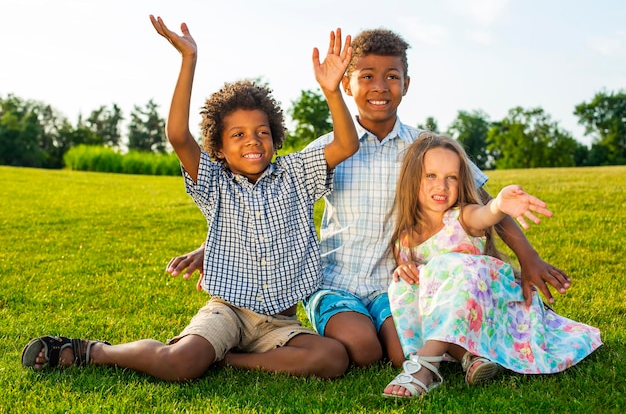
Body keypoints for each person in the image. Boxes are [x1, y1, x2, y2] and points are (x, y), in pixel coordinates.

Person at [167, 28, 573, 369]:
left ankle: (470, 344)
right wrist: (212, 245)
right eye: (366, 76)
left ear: (406, 85)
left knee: (400, 354)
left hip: (394, 282)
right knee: (362, 351)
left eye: (392, 76)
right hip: (335, 280)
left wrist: (528, 256)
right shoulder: (327, 148)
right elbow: (268, 206)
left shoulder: (426, 149)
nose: (380, 87)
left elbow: (483, 204)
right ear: (347, 83)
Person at [20, 15, 359, 381]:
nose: (252, 141)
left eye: (262, 132)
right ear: (219, 148)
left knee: (332, 358)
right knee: (179, 364)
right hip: (228, 312)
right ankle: (95, 350)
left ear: (276, 138)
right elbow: (179, 135)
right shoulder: (214, 183)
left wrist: (331, 91)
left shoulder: (295, 174)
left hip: (281, 321)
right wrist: (188, 60)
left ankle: (226, 361)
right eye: (238, 135)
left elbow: (345, 144)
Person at [382, 133, 602, 398]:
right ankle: (470, 357)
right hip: (453, 316)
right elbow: (417, 290)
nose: (441, 186)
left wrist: (498, 204)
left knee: (454, 267)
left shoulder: (462, 216)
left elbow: (485, 214)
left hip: (488, 307)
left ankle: (425, 366)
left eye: (451, 177)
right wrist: (403, 270)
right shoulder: (405, 238)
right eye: (431, 176)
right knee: (405, 282)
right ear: (412, 179)